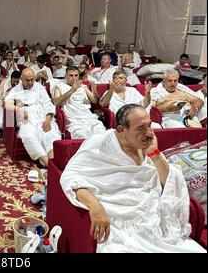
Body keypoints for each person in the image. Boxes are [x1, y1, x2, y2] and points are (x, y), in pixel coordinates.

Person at [60, 104, 206, 253]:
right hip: (119, 221)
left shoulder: (147, 143)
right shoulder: (100, 142)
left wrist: (154, 154)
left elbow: (168, 181)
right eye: (141, 128)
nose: (149, 133)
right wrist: (95, 206)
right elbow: (71, 176)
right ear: (122, 130)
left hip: (151, 220)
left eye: (149, 126)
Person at [4, 68, 61, 167]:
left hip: (42, 116)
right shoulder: (15, 90)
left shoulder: (39, 88)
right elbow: (7, 104)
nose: (30, 82)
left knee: (50, 134)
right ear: (21, 79)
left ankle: (53, 163)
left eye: (32, 79)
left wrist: (48, 119)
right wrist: (18, 109)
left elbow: (48, 104)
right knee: (28, 136)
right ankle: (50, 165)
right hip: (26, 120)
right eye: (27, 80)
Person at [53, 66, 105, 139]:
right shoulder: (60, 86)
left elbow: (95, 101)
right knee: (82, 136)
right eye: (71, 75)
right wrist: (72, 90)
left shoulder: (83, 86)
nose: (74, 78)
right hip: (74, 120)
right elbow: (56, 102)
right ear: (65, 76)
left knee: (101, 132)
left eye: (76, 75)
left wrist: (94, 91)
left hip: (88, 117)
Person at [0, 70, 22, 137]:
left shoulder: (22, 84)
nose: (15, 83)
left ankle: (15, 125)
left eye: (17, 82)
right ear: (11, 78)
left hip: (17, 103)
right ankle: (3, 126)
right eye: (14, 81)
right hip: (4, 101)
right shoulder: (4, 82)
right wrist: (2, 100)